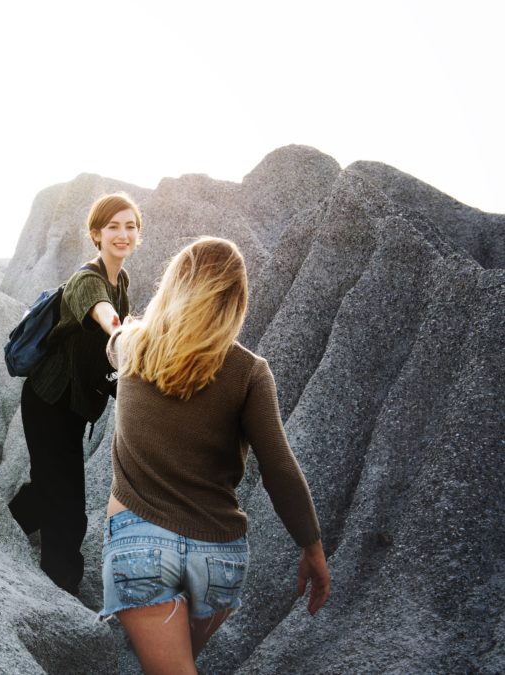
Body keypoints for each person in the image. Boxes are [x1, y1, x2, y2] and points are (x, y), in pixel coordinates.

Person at [99, 237, 330, 673]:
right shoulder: (250, 373)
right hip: (218, 557)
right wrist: (313, 549)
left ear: (173, 284)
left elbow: (114, 339)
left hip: (139, 543)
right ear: (236, 300)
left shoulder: (131, 345)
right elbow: (280, 468)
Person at [9, 192, 142, 595]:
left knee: (51, 485)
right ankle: (61, 587)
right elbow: (103, 313)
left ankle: (0, 528)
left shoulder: (122, 281)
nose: (123, 234)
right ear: (96, 234)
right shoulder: (89, 281)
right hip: (48, 404)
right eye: (113, 227)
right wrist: (120, 332)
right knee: (67, 504)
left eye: (130, 226)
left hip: (71, 411)